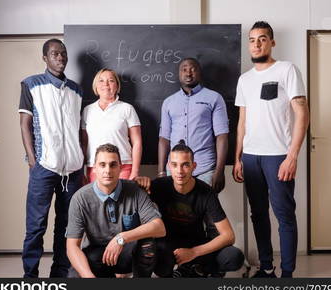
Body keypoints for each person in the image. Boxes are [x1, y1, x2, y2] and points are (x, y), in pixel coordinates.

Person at [232, 21, 309, 278]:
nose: (256, 43)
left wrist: (292, 156)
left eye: (262, 39)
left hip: (278, 155)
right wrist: (238, 157)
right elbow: (242, 121)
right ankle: (266, 267)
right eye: (252, 40)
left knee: (284, 214)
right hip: (251, 156)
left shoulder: (287, 70)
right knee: (258, 214)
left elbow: (302, 113)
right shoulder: (245, 80)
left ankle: (287, 274)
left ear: (272, 42)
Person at [18, 38, 84, 278]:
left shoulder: (76, 89)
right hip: (45, 167)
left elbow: (78, 129)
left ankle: (59, 275)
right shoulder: (31, 84)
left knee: (66, 228)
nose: (60, 57)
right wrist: (33, 161)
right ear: (45, 58)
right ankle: (30, 276)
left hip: (74, 170)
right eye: (55, 53)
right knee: (36, 226)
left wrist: (82, 161)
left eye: (63, 53)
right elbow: (25, 125)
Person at [136, 141, 244, 277]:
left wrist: (194, 252)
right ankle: (189, 270)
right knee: (160, 261)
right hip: (169, 245)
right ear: (169, 166)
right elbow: (130, 195)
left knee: (234, 257)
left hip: (196, 244)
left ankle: (194, 269)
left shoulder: (206, 192)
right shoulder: (159, 186)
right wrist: (138, 181)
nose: (180, 171)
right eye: (175, 165)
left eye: (185, 165)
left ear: (194, 166)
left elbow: (229, 236)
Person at [66, 143, 166, 278]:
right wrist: (88, 276)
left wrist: (121, 238)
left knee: (147, 245)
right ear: (94, 168)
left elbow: (159, 228)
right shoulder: (80, 199)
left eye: (113, 165)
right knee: (75, 276)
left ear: (120, 167)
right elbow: (72, 247)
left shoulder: (135, 191)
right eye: (102, 165)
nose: (108, 170)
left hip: (129, 254)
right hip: (99, 256)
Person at [158, 58, 229, 192]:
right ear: (179, 74)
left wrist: (220, 171)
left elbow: (222, 136)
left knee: (203, 211)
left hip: (205, 168)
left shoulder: (214, 98)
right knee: (175, 210)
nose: (188, 73)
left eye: (192, 69)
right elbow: (164, 139)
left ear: (199, 73)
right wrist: (161, 172)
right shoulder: (169, 102)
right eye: (184, 69)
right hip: (175, 170)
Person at [81, 68, 142, 182]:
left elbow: (137, 142)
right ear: (96, 85)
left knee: (123, 199)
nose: (106, 84)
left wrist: (135, 172)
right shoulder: (87, 111)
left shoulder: (127, 109)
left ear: (117, 86)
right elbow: (84, 144)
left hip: (122, 166)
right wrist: (81, 172)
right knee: (97, 200)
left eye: (111, 80)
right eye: (101, 80)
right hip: (95, 168)